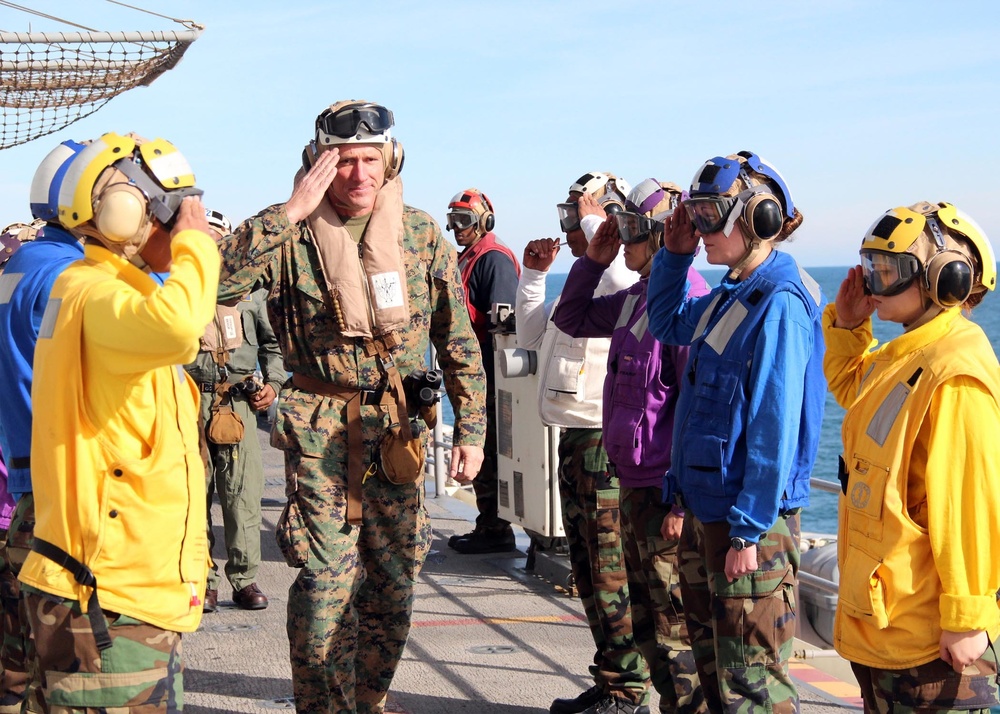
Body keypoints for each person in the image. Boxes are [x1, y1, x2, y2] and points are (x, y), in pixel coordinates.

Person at [215, 100, 487, 713]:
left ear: (390, 160)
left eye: (371, 160)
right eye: (343, 161)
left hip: (397, 434)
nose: (359, 174)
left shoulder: (419, 234)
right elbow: (214, 286)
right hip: (320, 437)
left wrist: (471, 427)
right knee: (325, 585)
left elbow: (457, 337)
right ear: (318, 164)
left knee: (394, 585)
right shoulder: (288, 238)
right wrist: (287, 213)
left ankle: (370, 701)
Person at [17, 132, 218, 712]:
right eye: (173, 213)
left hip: (126, 597)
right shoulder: (90, 293)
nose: (184, 226)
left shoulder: (108, 291)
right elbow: (179, 327)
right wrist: (196, 247)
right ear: (125, 212)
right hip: (109, 601)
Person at [645, 152, 826, 713]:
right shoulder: (734, 294)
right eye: (694, 214)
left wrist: (748, 533)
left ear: (759, 219)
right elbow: (667, 323)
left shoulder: (778, 304)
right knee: (713, 669)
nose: (699, 230)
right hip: (710, 510)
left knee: (752, 683)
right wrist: (674, 258)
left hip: (749, 525)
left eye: (710, 215)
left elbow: (773, 424)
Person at [824, 201, 1000, 712]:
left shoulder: (955, 372)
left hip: (929, 647)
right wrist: (849, 326)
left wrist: (966, 617)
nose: (874, 286)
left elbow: (966, 504)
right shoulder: (906, 356)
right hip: (890, 627)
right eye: (871, 268)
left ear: (946, 279)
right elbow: (855, 388)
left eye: (889, 272)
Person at [555, 179, 710, 714]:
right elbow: (570, 319)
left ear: (658, 233)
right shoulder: (638, 299)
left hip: (661, 491)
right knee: (645, 624)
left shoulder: (686, 303)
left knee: (674, 633)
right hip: (630, 482)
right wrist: (592, 263)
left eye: (627, 232)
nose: (621, 241)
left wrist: (680, 503)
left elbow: (695, 411)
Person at [518, 171, 648, 714]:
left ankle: (628, 690)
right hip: (574, 441)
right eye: (569, 216)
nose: (570, 227)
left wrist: (599, 224)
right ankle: (611, 675)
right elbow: (530, 333)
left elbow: (622, 282)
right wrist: (532, 276)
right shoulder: (584, 281)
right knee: (588, 567)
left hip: (603, 442)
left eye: (579, 216)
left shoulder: (618, 282)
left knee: (610, 567)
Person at [0, 139, 90, 714]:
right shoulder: (68, 276)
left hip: (19, 479)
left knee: (16, 662)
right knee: (64, 666)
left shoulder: (19, 267)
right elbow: (170, 321)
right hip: (56, 494)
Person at [184, 209, 283, 613]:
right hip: (190, 399)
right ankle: (203, 580)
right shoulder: (179, 290)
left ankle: (244, 579)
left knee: (243, 495)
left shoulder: (252, 295)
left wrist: (273, 385)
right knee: (195, 494)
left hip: (237, 402)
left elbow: (274, 346)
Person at [445, 188, 521, 554]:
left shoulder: (493, 260)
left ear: (483, 221)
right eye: (453, 221)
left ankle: (495, 528)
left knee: (488, 454)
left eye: (464, 221)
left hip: (489, 378)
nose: (457, 228)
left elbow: (504, 327)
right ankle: (489, 524)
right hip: (474, 376)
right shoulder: (470, 258)